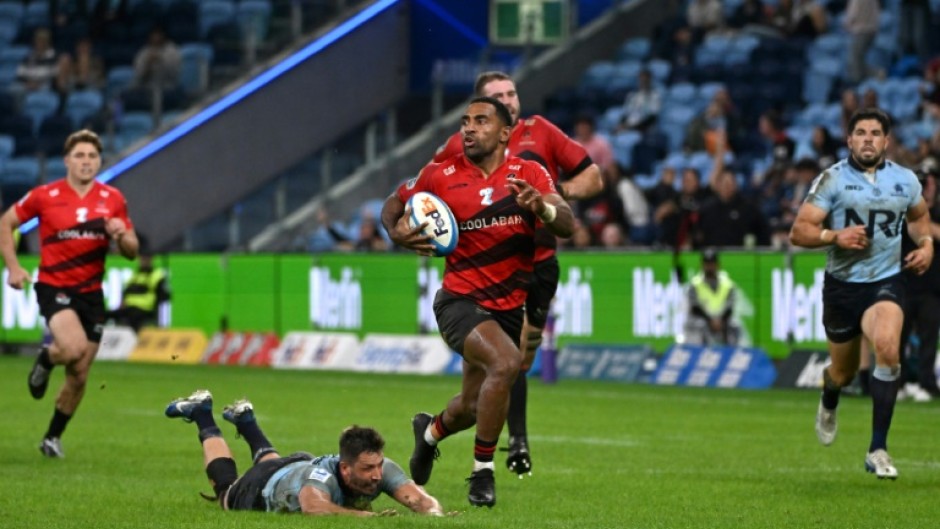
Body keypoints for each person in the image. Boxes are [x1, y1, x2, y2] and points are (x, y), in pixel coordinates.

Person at [384, 96, 574, 506]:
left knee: (472, 406)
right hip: (458, 302)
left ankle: (430, 431)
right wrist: (395, 233)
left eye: (481, 121)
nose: (469, 128)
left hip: (507, 307)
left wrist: (541, 206)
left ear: (505, 133)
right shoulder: (441, 174)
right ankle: (482, 475)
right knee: (507, 364)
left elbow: (568, 224)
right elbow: (394, 202)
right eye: (465, 121)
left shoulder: (529, 173)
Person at [430, 71, 602, 477]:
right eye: (498, 96)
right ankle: (513, 446)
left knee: (516, 363)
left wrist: (551, 196)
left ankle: (439, 430)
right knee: (505, 360)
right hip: (479, 277)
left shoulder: (540, 132)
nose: (510, 99)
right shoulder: (461, 145)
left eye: (511, 93)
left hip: (538, 263)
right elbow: (427, 192)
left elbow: (592, 177)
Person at [789, 108, 933, 480]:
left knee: (887, 345)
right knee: (844, 371)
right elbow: (799, 231)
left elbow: (918, 218)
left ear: (886, 141)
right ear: (849, 139)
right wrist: (833, 236)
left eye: (875, 133)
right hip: (841, 289)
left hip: (886, 280)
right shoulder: (832, 180)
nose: (868, 138)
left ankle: (878, 448)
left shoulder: (905, 180)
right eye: (860, 132)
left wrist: (928, 244)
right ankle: (829, 394)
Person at [0, 129, 139, 458]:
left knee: (79, 374)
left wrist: (121, 236)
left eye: (92, 156)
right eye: (80, 155)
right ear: (67, 160)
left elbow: (133, 250)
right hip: (54, 286)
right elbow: (5, 223)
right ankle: (46, 357)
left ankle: (51, 437)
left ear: (99, 161)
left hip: (91, 294)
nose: (86, 161)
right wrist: (14, 267)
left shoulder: (113, 199)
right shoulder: (45, 196)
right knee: (73, 348)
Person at [164, 389, 445, 516]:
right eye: (367, 469)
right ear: (345, 469)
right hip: (260, 487)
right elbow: (314, 507)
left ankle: (246, 421)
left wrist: (433, 513)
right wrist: (365, 517)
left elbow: (419, 499)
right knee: (225, 490)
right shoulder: (322, 478)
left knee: (271, 464)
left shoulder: (380, 468)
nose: (376, 475)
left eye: (378, 466)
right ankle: (203, 415)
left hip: (292, 466)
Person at [896, 158, 940, 401]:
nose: (927, 183)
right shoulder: (904, 209)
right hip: (904, 284)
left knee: (928, 338)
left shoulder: (931, 213)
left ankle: (927, 384)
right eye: (923, 179)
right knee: (897, 339)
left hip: (932, 287)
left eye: (930, 179)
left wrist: (925, 225)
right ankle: (898, 383)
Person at [108, 237, 170, 333]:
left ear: (151, 259)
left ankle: (134, 342)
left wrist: (155, 306)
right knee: (108, 314)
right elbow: (126, 292)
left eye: (146, 258)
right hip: (130, 308)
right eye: (142, 258)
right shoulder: (135, 275)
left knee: (132, 316)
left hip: (145, 309)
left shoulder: (157, 275)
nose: (144, 260)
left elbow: (164, 296)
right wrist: (122, 303)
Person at [682, 248, 740, 346]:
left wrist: (720, 320)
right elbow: (695, 308)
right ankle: (700, 354)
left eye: (712, 264)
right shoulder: (695, 284)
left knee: (734, 326)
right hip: (702, 319)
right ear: (702, 265)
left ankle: (730, 353)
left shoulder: (727, 284)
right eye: (707, 264)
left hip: (721, 319)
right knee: (700, 325)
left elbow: (730, 306)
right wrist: (710, 320)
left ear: (718, 265)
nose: (709, 267)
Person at [844, 0, 880, 84]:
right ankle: (877, 74)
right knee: (859, 59)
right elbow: (877, 13)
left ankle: (857, 83)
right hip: (871, 31)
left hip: (860, 31)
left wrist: (847, 25)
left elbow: (853, 15)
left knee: (855, 59)